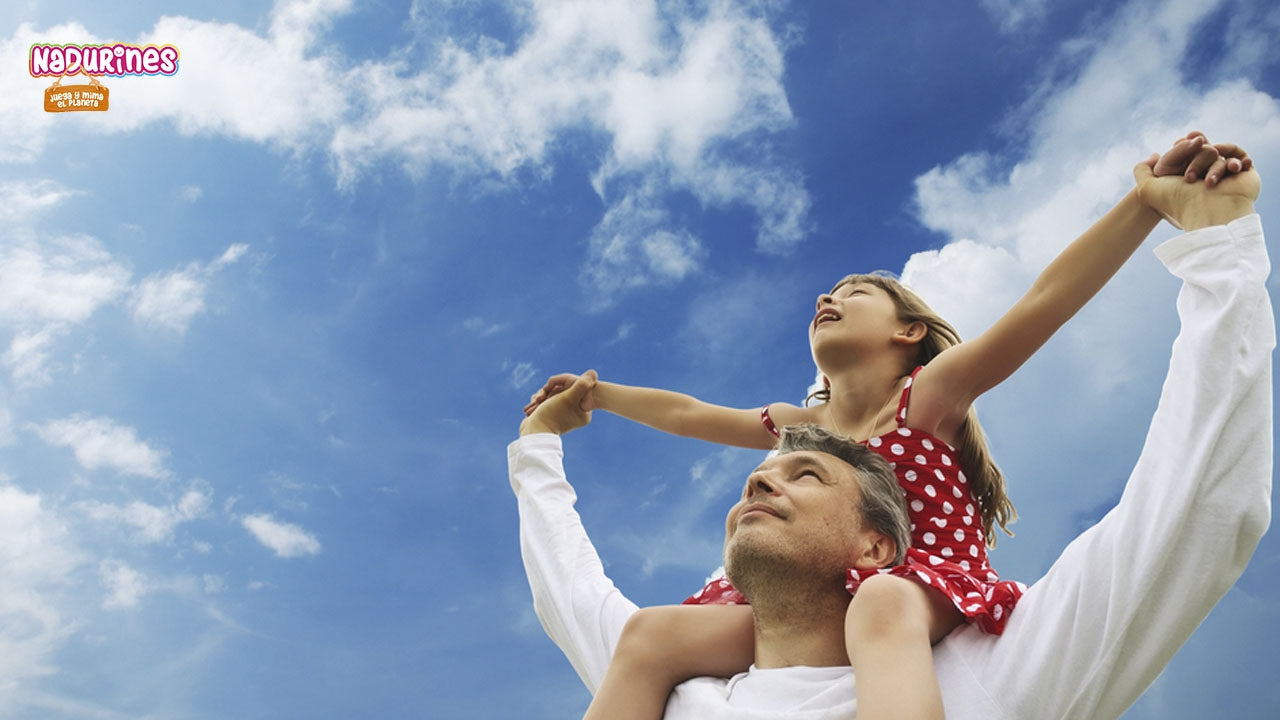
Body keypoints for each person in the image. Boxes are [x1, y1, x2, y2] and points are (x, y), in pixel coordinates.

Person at [509, 140, 1270, 719]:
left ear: (909, 330)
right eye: (826, 293)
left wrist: (1142, 207)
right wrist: (600, 398)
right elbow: (687, 415)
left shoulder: (929, 397)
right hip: (804, 603)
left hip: (910, 585)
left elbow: (1045, 301)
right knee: (648, 636)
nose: (826, 297)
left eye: (854, 292)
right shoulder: (800, 427)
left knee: (880, 603)